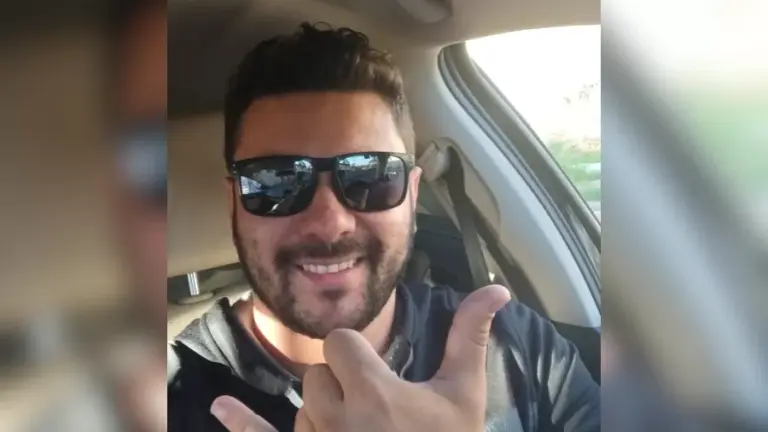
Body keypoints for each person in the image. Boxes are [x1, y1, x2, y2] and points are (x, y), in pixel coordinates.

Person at [167, 23, 599, 432]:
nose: (329, 224)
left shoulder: (520, 349)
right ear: (234, 202)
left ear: (412, 193)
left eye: (369, 176)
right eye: (277, 181)